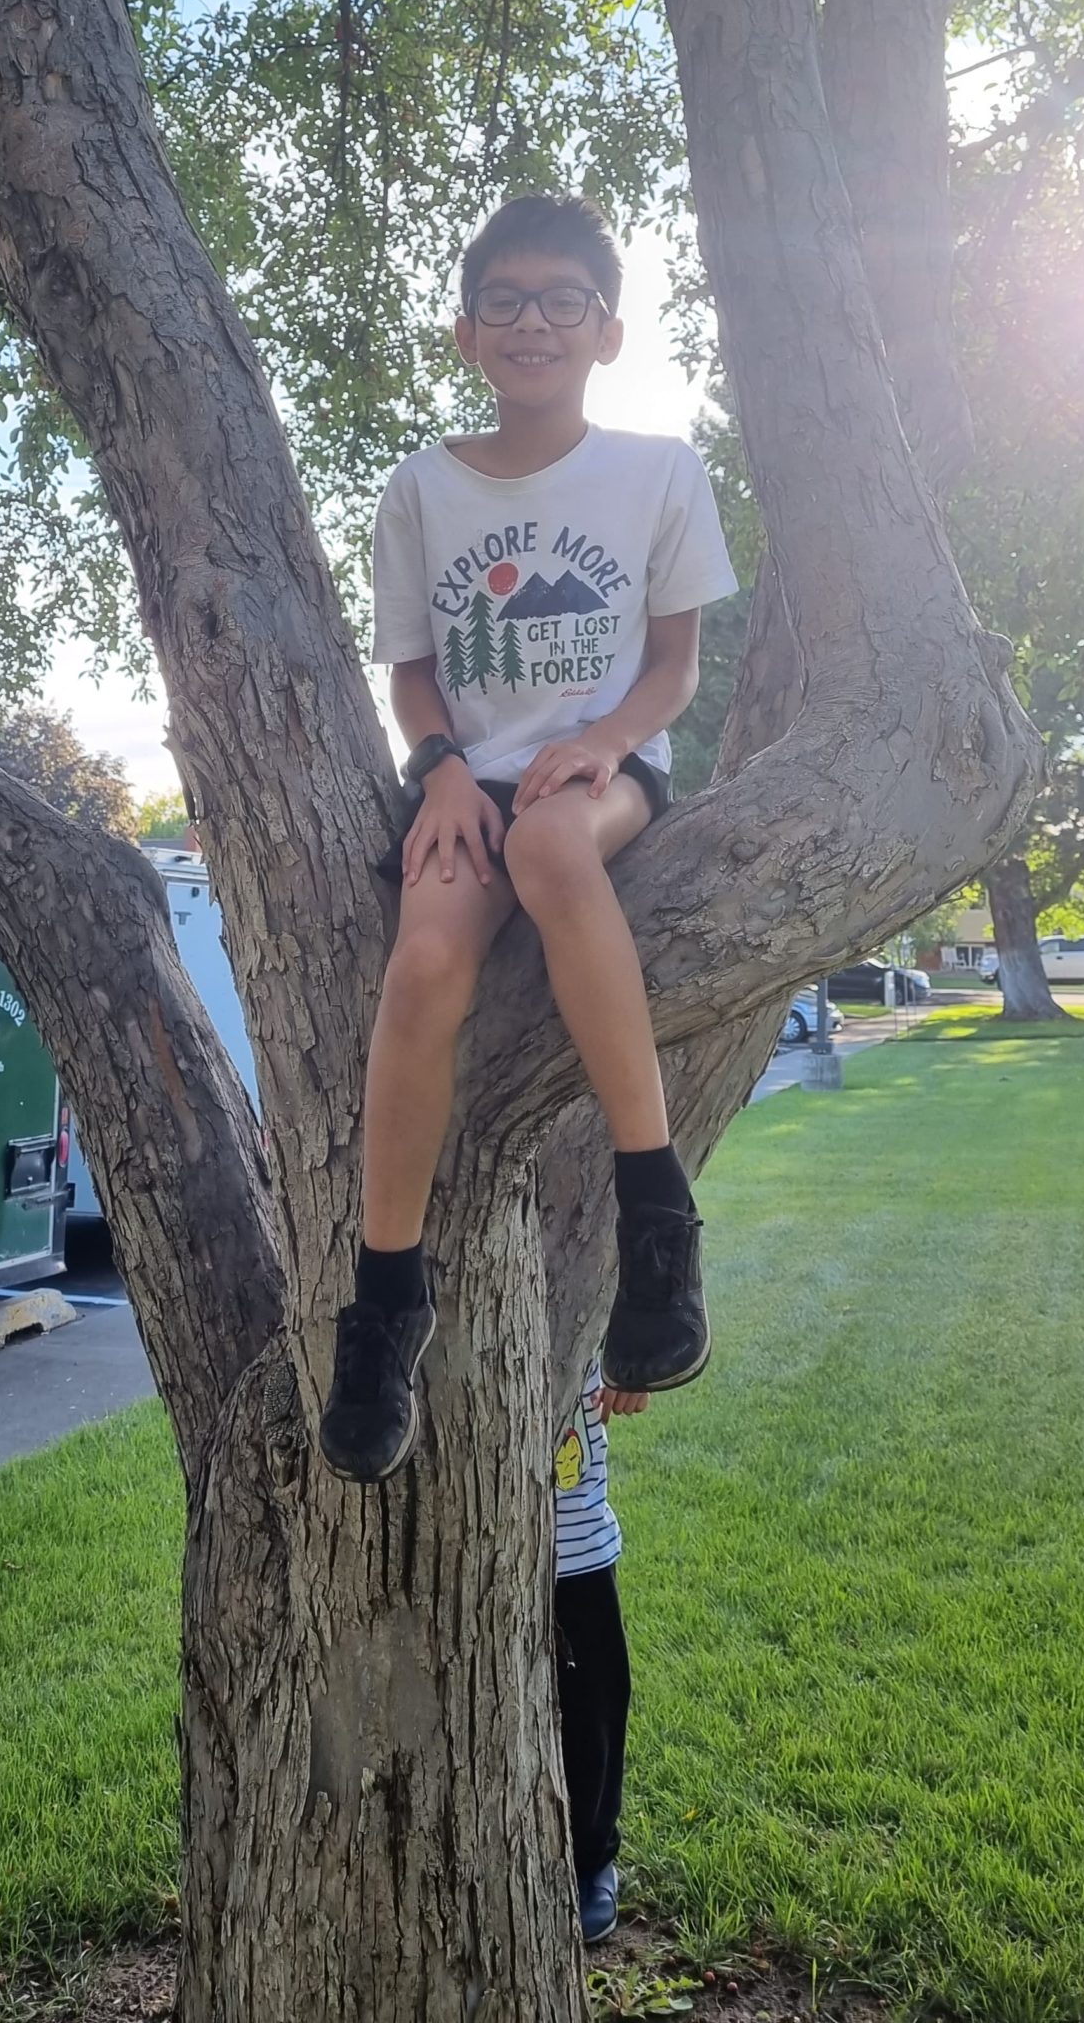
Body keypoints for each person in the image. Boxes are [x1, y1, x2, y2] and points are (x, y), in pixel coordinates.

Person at [319, 191, 739, 1481]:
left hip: (599, 775)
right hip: (470, 781)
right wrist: (440, 769)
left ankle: (655, 1219)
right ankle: (387, 1299)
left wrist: (607, 743)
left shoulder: (659, 469)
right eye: (503, 302)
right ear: (467, 332)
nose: (532, 323)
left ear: (607, 331)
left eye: (564, 301)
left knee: (555, 849)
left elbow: (675, 668)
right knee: (426, 960)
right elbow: (411, 674)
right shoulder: (421, 487)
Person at [555, 1363, 647, 1944]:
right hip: (485, 1545)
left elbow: (630, 1284)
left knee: (593, 1710)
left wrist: (633, 1360)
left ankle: (592, 1858)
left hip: (577, 1542)